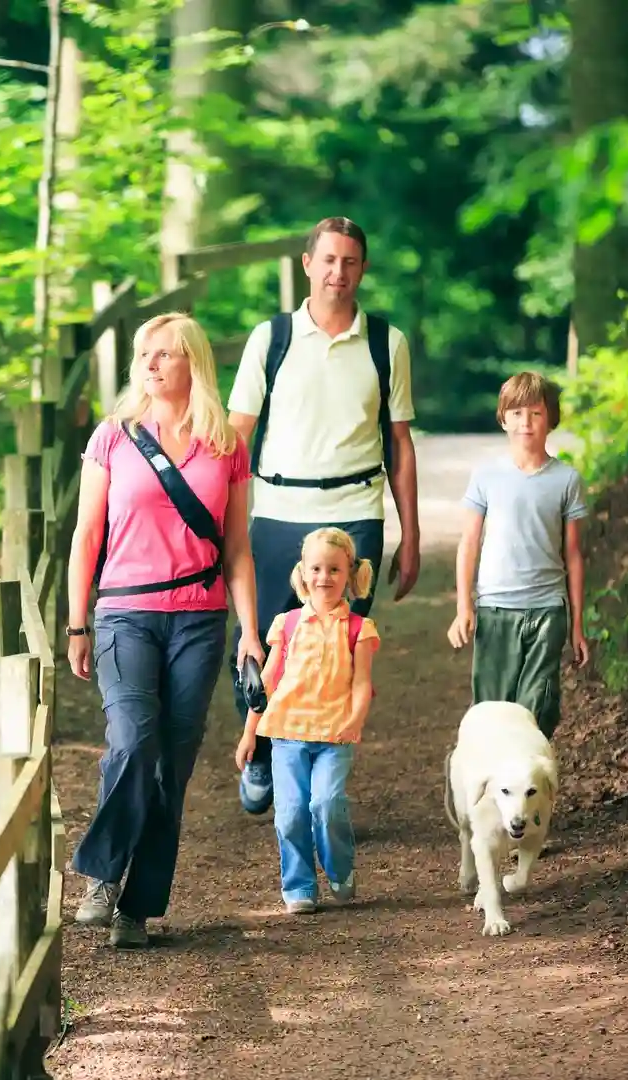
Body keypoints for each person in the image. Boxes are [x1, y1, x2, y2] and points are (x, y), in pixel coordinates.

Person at [65, 311, 264, 948]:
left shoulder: (226, 446)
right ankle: (102, 875)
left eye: (165, 354)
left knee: (171, 766)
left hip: (200, 622)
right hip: (125, 613)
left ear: (193, 364)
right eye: (144, 354)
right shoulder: (113, 438)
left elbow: (237, 548)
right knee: (132, 739)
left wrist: (251, 633)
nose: (151, 364)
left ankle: (139, 907)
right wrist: (76, 623)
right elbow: (85, 536)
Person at [226, 216, 420, 815]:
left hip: (356, 512)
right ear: (308, 264)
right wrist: (218, 524)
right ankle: (259, 750)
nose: (339, 272)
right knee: (261, 640)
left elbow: (401, 445)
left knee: (338, 652)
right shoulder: (272, 339)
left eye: (351, 262)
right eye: (329, 260)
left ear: (363, 269)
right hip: (280, 511)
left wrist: (410, 534)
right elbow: (237, 434)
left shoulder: (387, 343)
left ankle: (317, 779)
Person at [234, 527, 379, 914]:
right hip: (286, 734)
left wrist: (354, 720)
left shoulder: (359, 629)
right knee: (291, 812)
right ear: (303, 572)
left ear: (349, 573)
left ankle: (339, 866)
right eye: (315, 568)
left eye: (334, 569)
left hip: (334, 735)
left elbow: (363, 685)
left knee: (326, 803)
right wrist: (250, 734)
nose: (324, 577)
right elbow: (265, 683)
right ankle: (298, 885)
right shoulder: (287, 623)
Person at [447, 372, 590, 740]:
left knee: (537, 706)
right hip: (496, 608)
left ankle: (529, 790)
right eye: (517, 413)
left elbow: (572, 554)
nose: (526, 422)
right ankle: (490, 789)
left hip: (547, 609)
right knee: (492, 710)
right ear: (504, 418)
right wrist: (465, 607)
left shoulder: (566, 479)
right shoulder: (486, 476)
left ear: (551, 419)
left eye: (536, 413)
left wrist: (576, 625)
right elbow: (469, 544)